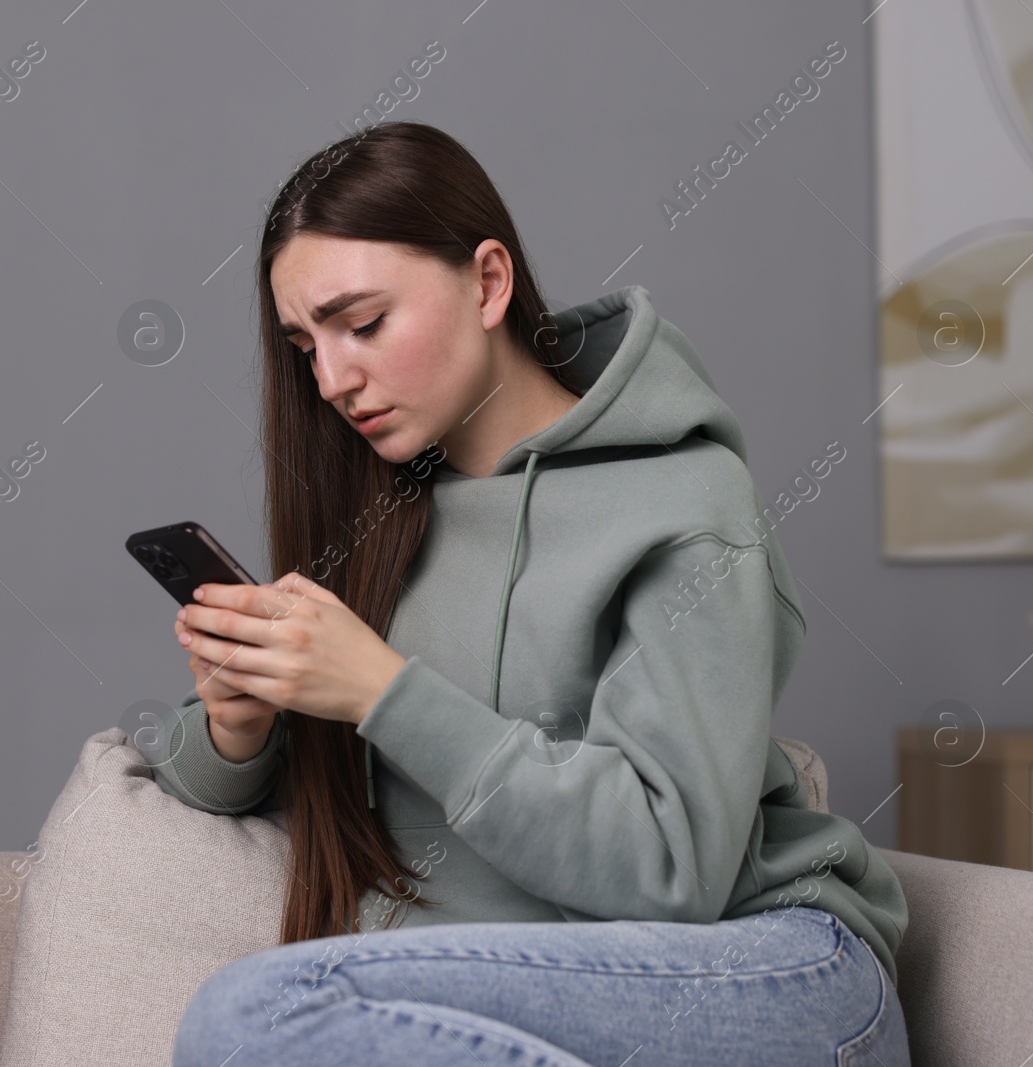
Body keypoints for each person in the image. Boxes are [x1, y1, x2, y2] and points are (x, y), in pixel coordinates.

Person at [146, 120, 910, 1066]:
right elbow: (197, 777)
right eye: (306, 345)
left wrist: (386, 692)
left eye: (365, 323)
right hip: (521, 995)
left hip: (760, 973)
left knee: (254, 1016)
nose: (334, 379)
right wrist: (240, 725)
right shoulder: (380, 521)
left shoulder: (685, 498)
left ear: (488, 282)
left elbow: (670, 874)